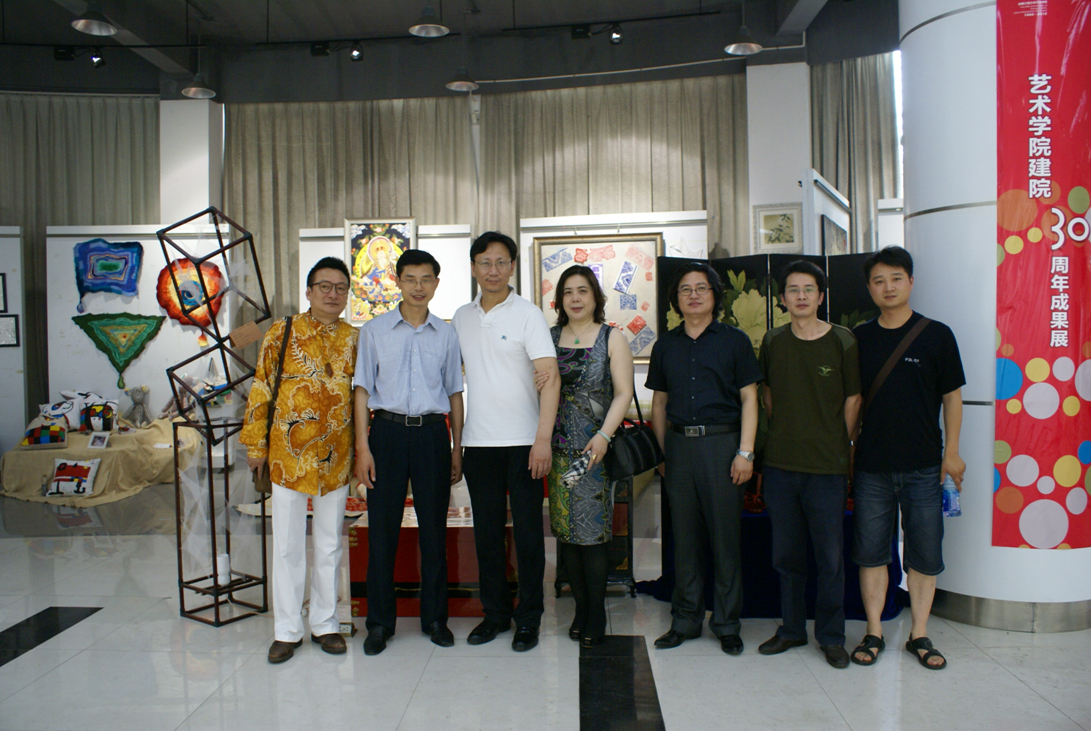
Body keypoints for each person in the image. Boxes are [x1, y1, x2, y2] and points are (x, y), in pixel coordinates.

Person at [850, 246, 965, 670]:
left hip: (924, 467)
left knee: (924, 553)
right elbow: (852, 400)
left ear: (911, 282)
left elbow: (952, 398)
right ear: (869, 288)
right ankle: (874, 631)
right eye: (878, 281)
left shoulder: (937, 335)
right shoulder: (859, 338)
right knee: (871, 553)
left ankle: (919, 634)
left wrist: (952, 453)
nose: (888, 287)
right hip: (872, 467)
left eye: (896, 278)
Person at [241, 256, 358, 664]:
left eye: (340, 288)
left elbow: (362, 398)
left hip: (336, 457)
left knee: (329, 544)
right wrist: (255, 447)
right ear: (308, 291)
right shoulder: (282, 331)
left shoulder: (354, 338)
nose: (332, 294)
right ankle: (287, 630)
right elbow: (261, 387)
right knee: (288, 545)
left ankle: (325, 624)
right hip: (287, 457)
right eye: (324, 286)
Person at [451, 231, 561, 652]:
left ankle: (529, 618)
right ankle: (495, 614)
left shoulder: (528, 314)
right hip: (479, 445)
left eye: (501, 262)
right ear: (473, 267)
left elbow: (550, 378)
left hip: (524, 444)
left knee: (529, 536)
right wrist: (456, 444)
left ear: (512, 266)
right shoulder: (461, 317)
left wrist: (542, 440)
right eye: (485, 262)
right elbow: (453, 381)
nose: (493, 270)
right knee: (487, 536)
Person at [645, 262, 761, 656]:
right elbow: (659, 404)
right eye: (685, 290)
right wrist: (663, 454)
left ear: (714, 295)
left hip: (723, 447)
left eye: (701, 288)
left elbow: (750, 398)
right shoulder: (666, 345)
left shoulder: (734, 341)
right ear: (675, 300)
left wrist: (745, 452)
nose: (693, 295)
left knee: (725, 541)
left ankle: (726, 624)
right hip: (679, 448)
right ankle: (685, 620)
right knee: (684, 541)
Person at [353, 249, 465, 656]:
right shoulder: (374, 331)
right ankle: (380, 624)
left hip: (433, 435)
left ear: (436, 283)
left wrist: (456, 447)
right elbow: (361, 390)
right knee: (382, 532)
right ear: (397, 281)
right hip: (386, 434)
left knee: (434, 532)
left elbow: (454, 393)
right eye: (411, 279)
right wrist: (362, 446)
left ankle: (435, 620)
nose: (419, 287)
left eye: (426, 279)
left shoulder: (446, 334)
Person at [758, 260, 861, 669]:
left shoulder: (842, 340)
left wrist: (839, 443)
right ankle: (792, 629)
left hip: (827, 468)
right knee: (786, 555)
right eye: (792, 289)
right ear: (782, 299)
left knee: (829, 557)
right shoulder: (773, 341)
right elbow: (768, 394)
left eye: (808, 289)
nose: (800, 296)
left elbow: (853, 398)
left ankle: (832, 637)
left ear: (821, 296)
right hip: (781, 464)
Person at [538, 265, 634, 648]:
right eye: (568, 292)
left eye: (583, 291)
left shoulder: (612, 337)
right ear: (559, 300)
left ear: (595, 297)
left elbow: (624, 393)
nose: (575, 298)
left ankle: (596, 615)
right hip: (558, 451)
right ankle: (580, 610)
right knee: (567, 535)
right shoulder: (548, 338)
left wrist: (604, 436)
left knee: (593, 536)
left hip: (594, 453)